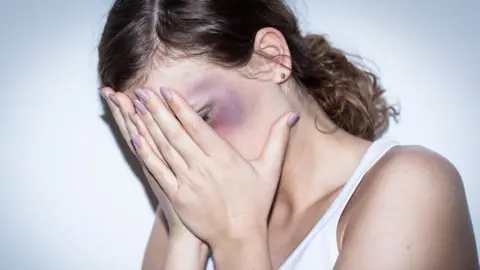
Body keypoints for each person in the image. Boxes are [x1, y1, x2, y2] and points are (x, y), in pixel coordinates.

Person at [98, 0, 478, 269]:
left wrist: (238, 240)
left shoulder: (411, 188)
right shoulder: (184, 220)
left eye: (202, 116)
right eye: (157, 134)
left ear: (271, 58)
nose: (184, 154)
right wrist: (185, 238)